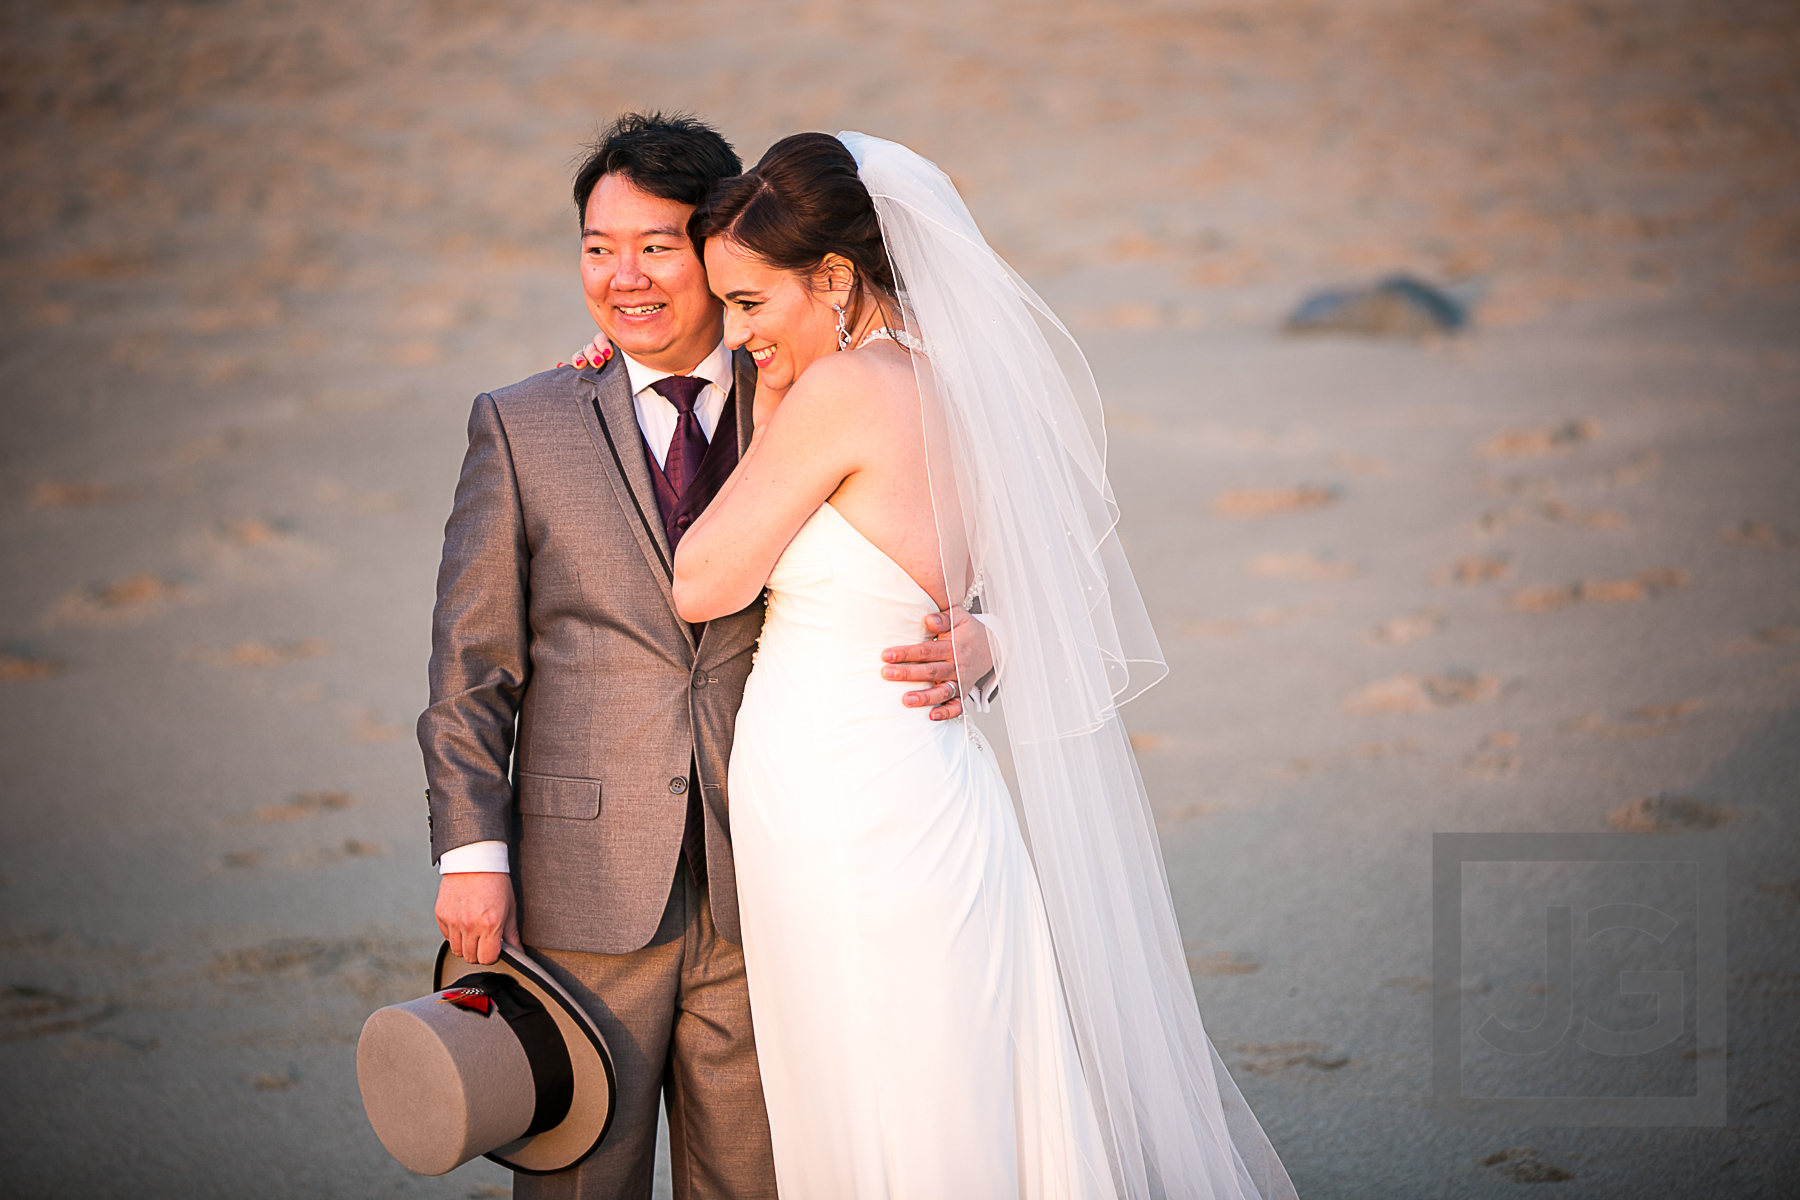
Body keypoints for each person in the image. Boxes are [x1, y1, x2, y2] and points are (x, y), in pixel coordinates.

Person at [663, 132, 1301, 1199]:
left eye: (751, 304)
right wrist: (992, 637)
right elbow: (1062, 590)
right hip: (937, 795)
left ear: (833, 280)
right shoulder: (965, 390)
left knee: (880, 1102)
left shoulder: (833, 397)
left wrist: (772, 410)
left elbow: (702, 582)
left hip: (842, 810)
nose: (738, 336)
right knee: (951, 1086)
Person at [419, 113, 992, 1200]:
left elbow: (935, 551)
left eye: (655, 247)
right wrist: (470, 856)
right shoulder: (524, 422)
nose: (622, 278)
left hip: (772, 879)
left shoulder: (803, 384)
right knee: (582, 1177)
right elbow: (471, 666)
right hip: (585, 888)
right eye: (597, 247)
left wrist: (984, 635)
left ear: (726, 247)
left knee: (759, 1180)